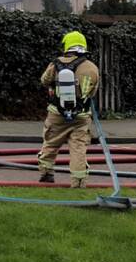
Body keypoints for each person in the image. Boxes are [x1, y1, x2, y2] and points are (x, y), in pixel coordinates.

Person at [38, 31, 100, 188]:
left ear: (66, 45)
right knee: (78, 147)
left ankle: (46, 174)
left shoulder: (55, 64)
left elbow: (44, 81)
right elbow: (92, 92)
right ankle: (78, 182)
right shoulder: (91, 67)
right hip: (81, 115)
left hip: (56, 114)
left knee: (50, 143)